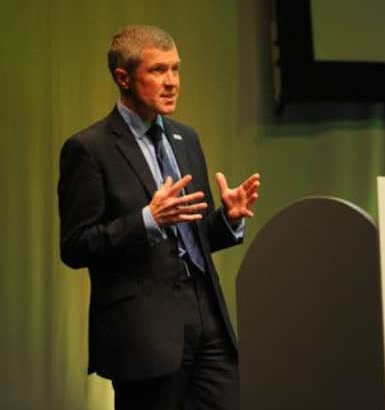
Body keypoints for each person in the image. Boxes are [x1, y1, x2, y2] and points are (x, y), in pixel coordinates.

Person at [57, 24, 259, 410]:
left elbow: (190, 238)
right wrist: (147, 220)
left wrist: (228, 220)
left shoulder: (186, 138)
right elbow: (76, 246)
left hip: (207, 318)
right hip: (144, 332)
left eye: (176, 69)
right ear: (124, 78)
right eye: (158, 71)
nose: (172, 82)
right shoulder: (89, 149)